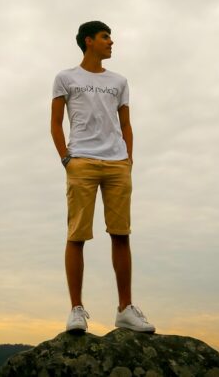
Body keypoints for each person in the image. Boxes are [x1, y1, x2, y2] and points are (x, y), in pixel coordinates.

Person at [50, 20, 155, 334]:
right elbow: (55, 123)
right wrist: (66, 159)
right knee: (77, 235)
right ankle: (76, 310)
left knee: (121, 234)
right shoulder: (65, 77)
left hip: (116, 164)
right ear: (89, 41)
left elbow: (126, 125)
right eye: (106, 37)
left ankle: (125, 309)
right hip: (81, 161)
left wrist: (128, 159)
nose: (112, 42)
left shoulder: (119, 81)